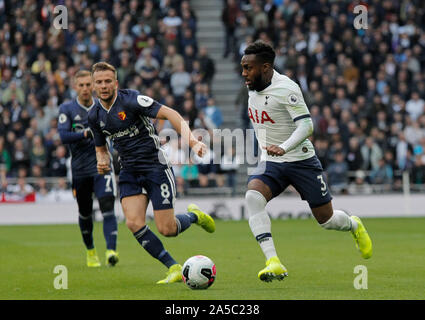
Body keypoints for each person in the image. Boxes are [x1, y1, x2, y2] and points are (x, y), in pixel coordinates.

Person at [240, 40, 372, 282]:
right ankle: (273, 261)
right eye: (243, 67)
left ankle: (354, 225)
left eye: (249, 68)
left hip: (301, 160)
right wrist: (271, 151)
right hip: (271, 161)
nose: (244, 73)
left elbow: (306, 125)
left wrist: (284, 147)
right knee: (253, 197)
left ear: (266, 67)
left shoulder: (286, 88)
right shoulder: (252, 88)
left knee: (327, 220)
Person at [88, 62, 215, 284]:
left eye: (108, 81)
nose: (104, 85)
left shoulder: (131, 100)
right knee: (133, 223)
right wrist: (102, 161)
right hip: (129, 171)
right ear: (94, 86)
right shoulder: (94, 116)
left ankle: (194, 216)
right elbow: (101, 148)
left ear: (115, 83)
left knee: (167, 229)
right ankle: (173, 267)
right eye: (99, 82)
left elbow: (171, 114)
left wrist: (193, 141)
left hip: (155, 166)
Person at [58, 70, 119, 268]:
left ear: (93, 86)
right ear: (75, 87)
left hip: (102, 165)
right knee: (85, 213)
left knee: (107, 207)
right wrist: (86, 134)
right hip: (79, 169)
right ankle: (91, 251)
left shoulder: (103, 106)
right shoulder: (67, 108)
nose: (85, 89)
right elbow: (63, 136)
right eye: (81, 85)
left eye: (88, 85)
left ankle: (111, 250)